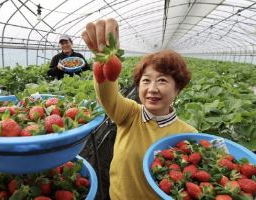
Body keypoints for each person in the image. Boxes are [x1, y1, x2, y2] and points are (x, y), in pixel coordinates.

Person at [81, 19, 198, 200]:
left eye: (162, 80)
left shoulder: (187, 134)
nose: (152, 88)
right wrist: (103, 61)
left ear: (177, 89)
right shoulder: (129, 113)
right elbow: (107, 95)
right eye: (146, 80)